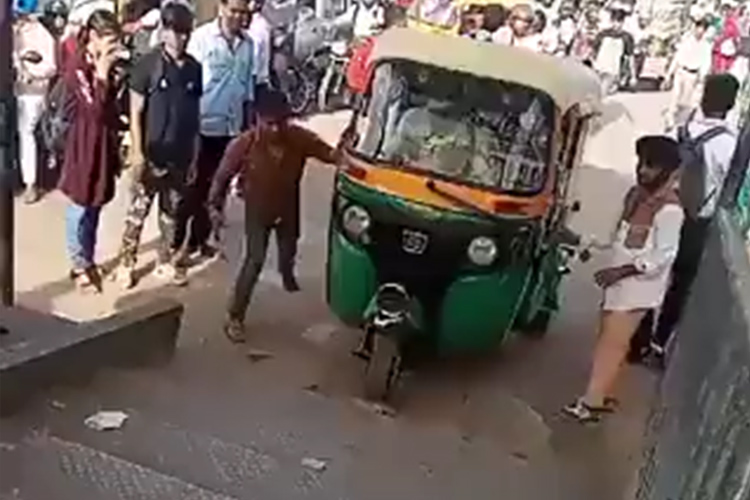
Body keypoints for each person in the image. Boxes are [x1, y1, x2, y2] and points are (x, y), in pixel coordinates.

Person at [563, 135, 684, 423]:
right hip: (618, 284)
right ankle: (598, 397)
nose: (643, 170)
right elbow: (614, 236)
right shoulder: (635, 196)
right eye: (641, 162)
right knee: (611, 342)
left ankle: (590, 402)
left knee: (611, 344)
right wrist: (581, 242)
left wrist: (622, 271)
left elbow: (661, 257)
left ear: (669, 171)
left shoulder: (670, 210)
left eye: (651, 165)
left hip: (638, 290)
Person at [207, 91, 339, 343]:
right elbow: (221, 178)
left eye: (281, 122)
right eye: (270, 123)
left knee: (289, 246)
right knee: (254, 260)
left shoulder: (299, 138)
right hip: (258, 210)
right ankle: (234, 316)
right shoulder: (243, 144)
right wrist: (214, 206)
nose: (276, 129)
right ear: (257, 119)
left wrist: (347, 158)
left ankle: (285, 270)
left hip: (289, 207)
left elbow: (329, 154)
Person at [629, 74, 741, 365]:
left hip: (663, 211)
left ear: (703, 97)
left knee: (651, 273)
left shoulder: (678, 131)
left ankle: (636, 338)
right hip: (696, 223)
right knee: (680, 284)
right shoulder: (730, 146)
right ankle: (659, 343)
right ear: (730, 104)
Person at [114, 3, 202, 289]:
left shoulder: (194, 69)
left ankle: (164, 261)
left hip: (180, 156)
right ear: (164, 32)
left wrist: (194, 156)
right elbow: (135, 111)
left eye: (185, 33)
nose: (180, 39)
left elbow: (194, 114)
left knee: (170, 213)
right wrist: (138, 153)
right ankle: (126, 264)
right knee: (136, 214)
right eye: (175, 32)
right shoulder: (147, 65)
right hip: (151, 154)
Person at [58, 10, 123, 291]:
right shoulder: (77, 66)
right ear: (94, 37)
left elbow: (112, 109)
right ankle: (77, 264)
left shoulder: (109, 64)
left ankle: (89, 257)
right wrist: (103, 71)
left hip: (104, 144)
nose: (113, 48)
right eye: (109, 41)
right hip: (83, 144)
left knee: (96, 203)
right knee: (79, 204)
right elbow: (95, 110)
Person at [186, 0, 254, 259]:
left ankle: (204, 238)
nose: (238, 17)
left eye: (242, 12)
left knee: (219, 187)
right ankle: (185, 243)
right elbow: (189, 88)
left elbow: (247, 90)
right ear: (221, 7)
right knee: (198, 187)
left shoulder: (249, 45)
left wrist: (247, 132)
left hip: (232, 128)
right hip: (204, 128)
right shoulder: (201, 39)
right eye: (233, 10)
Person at [13, 9, 57, 203]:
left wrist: (32, 74)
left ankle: (30, 183)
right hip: (11, 91)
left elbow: (52, 66)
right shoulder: (12, 32)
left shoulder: (41, 34)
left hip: (32, 94)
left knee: (27, 132)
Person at [664, 16, 713, 130]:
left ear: (705, 31)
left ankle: (682, 123)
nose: (699, 32)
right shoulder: (686, 40)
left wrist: (702, 76)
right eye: (698, 28)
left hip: (692, 74)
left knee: (687, 100)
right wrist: (669, 74)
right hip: (681, 71)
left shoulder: (706, 46)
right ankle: (670, 119)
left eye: (702, 30)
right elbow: (677, 57)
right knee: (675, 96)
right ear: (695, 28)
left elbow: (706, 62)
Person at [591, 8, 635, 95]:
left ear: (623, 22)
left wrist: (633, 76)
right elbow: (593, 52)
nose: (616, 25)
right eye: (614, 21)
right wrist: (593, 64)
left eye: (619, 22)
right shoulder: (603, 34)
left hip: (613, 72)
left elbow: (630, 57)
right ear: (611, 21)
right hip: (599, 69)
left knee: (602, 94)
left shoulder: (626, 37)